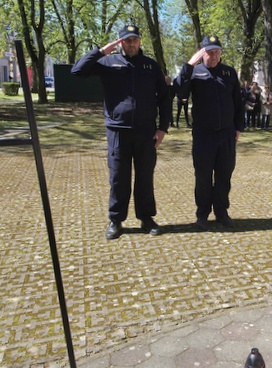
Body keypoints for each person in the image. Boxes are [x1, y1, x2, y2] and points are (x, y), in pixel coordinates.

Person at [71, 24, 171, 239]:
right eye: (127, 40)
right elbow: (77, 70)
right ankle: (116, 220)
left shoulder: (151, 66)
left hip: (146, 132)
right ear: (120, 42)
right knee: (118, 177)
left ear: (140, 41)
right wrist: (101, 51)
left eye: (135, 39)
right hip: (117, 131)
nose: (131, 44)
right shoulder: (107, 62)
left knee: (145, 176)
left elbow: (164, 98)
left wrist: (163, 128)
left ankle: (146, 218)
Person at [173, 35, 243, 229]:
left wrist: (238, 127)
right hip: (203, 135)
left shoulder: (229, 72)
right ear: (202, 53)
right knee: (203, 176)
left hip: (226, 134)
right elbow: (180, 91)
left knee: (224, 175)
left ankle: (221, 211)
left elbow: (238, 102)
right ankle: (202, 213)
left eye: (217, 52)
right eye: (210, 52)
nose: (214, 56)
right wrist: (189, 65)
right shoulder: (195, 72)